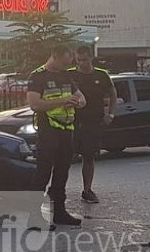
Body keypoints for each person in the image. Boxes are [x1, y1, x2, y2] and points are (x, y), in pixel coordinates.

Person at [27, 44, 86, 226]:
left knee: (62, 173)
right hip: (48, 130)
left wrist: (78, 102)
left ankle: (59, 213)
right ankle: (33, 218)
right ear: (54, 56)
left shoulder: (66, 75)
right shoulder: (37, 76)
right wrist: (63, 101)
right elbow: (35, 104)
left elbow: (82, 98)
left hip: (66, 130)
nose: (66, 66)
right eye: (64, 62)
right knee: (43, 173)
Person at [70, 45, 117, 204]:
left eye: (84, 59)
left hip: (93, 123)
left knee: (88, 157)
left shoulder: (101, 75)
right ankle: (57, 189)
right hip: (72, 122)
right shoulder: (70, 75)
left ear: (91, 58)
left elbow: (112, 93)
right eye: (78, 60)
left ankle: (87, 190)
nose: (81, 63)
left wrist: (110, 113)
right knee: (65, 156)